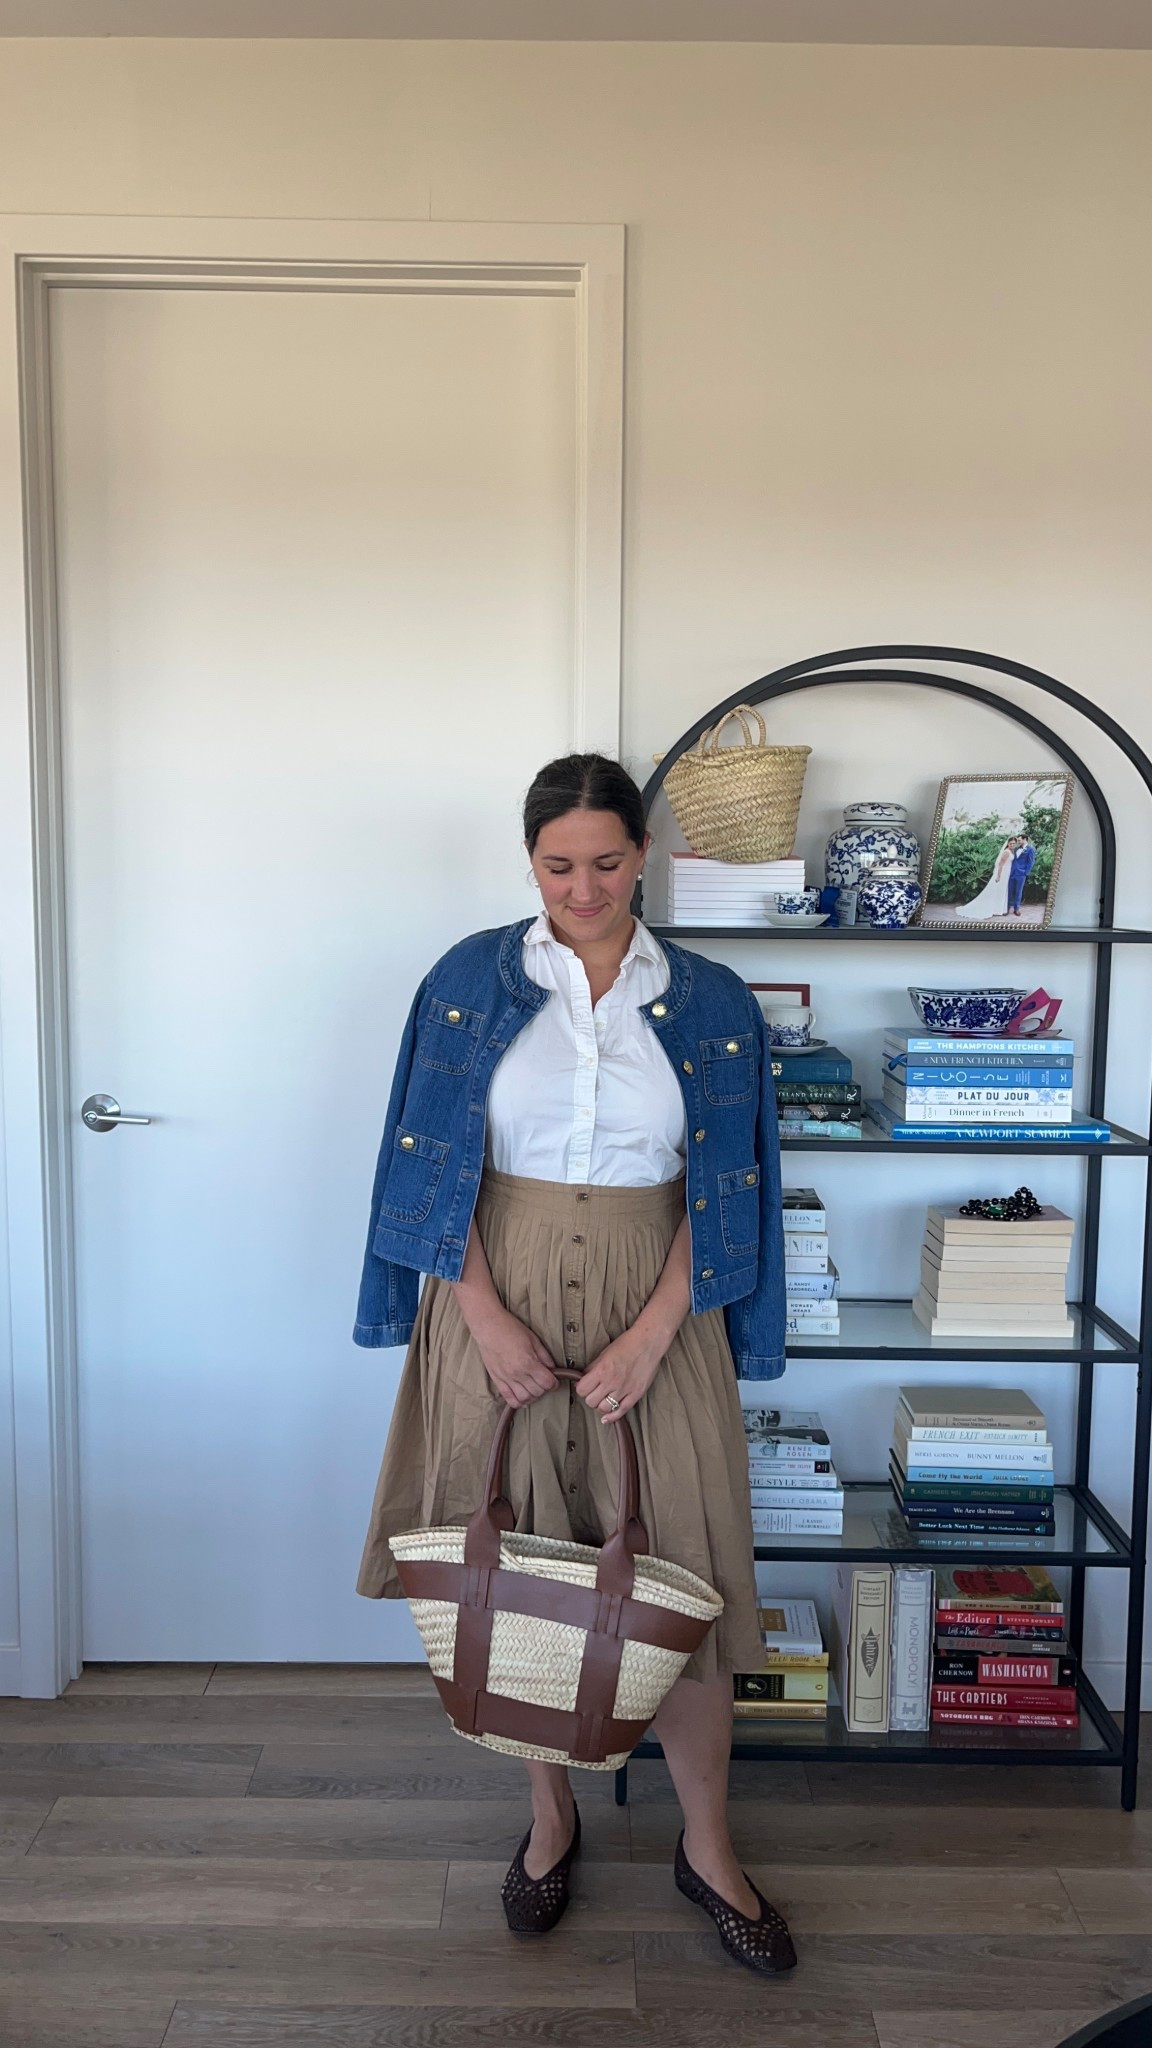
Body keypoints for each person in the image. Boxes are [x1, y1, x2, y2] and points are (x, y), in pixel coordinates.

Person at [352, 753, 796, 1975]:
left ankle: (707, 1843)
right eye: (560, 865)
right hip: (495, 1287)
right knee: (523, 1574)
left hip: (668, 1290)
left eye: (608, 861)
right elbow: (428, 1161)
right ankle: (549, 1823)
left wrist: (657, 1329)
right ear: (529, 859)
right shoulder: (465, 982)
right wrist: (485, 1320)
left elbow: (731, 1174)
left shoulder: (711, 998)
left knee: (687, 1575)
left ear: (644, 854)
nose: (585, 888)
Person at [956, 835, 1016, 920]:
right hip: (1002, 873)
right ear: (1008, 844)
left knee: (1002, 891)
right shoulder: (1006, 852)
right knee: (998, 891)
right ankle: (995, 909)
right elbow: (1000, 864)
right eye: (1010, 843)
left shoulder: (1011, 851)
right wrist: (998, 876)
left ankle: (999, 909)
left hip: (1007, 874)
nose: (1012, 845)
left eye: (1014, 843)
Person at [1007, 834, 1037, 915]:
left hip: (1021, 874)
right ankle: (1007, 908)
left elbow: (1031, 862)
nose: (1018, 842)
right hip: (1012, 873)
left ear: (1025, 840)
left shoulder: (1030, 849)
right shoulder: (1016, 848)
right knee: (1009, 891)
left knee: (1018, 892)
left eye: (1019, 840)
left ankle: (1016, 909)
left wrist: (1025, 873)